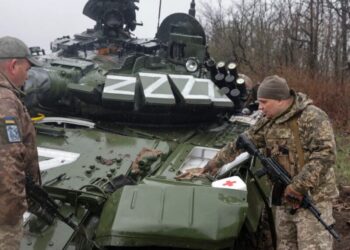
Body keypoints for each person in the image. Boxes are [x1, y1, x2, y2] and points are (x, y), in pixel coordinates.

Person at [204, 75, 339, 249]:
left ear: (281, 100)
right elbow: (242, 142)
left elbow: (326, 154)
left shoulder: (312, 117)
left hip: (312, 199)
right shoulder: (268, 121)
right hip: (284, 200)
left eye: (264, 102)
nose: (260, 107)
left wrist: (298, 186)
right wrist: (211, 165)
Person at [0, 36, 42, 250]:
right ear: (14, 65)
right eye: (27, 69)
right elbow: (7, 162)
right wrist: (13, 215)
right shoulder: (5, 101)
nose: (28, 77)